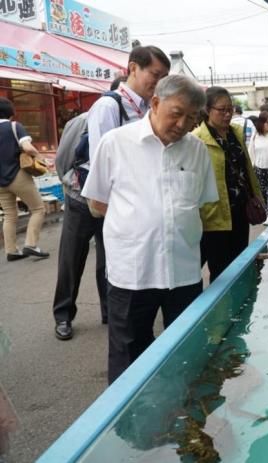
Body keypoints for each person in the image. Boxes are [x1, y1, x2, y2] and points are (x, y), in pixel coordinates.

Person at [82, 75, 218, 384]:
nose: (183, 123)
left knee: (186, 351)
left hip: (182, 271)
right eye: (177, 113)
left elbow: (199, 203)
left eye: (192, 117)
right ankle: (129, 428)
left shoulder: (196, 150)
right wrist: (138, 224)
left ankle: (184, 419)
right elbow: (98, 202)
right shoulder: (115, 143)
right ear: (155, 103)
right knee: (128, 354)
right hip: (133, 272)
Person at [52, 46, 170, 341]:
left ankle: (109, 312)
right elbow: (102, 161)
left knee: (110, 258)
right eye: (155, 74)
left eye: (163, 76)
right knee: (72, 258)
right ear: (133, 69)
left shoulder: (146, 108)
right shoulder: (109, 106)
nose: (158, 81)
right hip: (87, 197)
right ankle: (63, 315)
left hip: (120, 199)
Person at [193, 88, 263, 282]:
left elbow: (246, 169)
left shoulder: (236, 133)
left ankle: (237, 308)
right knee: (221, 271)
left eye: (230, 109)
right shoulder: (197, 138)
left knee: (238, 265)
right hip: (214, 216)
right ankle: (222, 311)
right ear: (207, 110)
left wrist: (256, 197)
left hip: (241, 212)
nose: (227, 114)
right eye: (222, 109)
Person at [0, 98, 49, 262]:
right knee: (38, 209)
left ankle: (11, 250)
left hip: (0, 182)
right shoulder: (14, 126)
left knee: (9, 215)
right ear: (11, 112)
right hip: (17, 175)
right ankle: (31, 244)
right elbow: (27, 147)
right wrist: (41, 157)